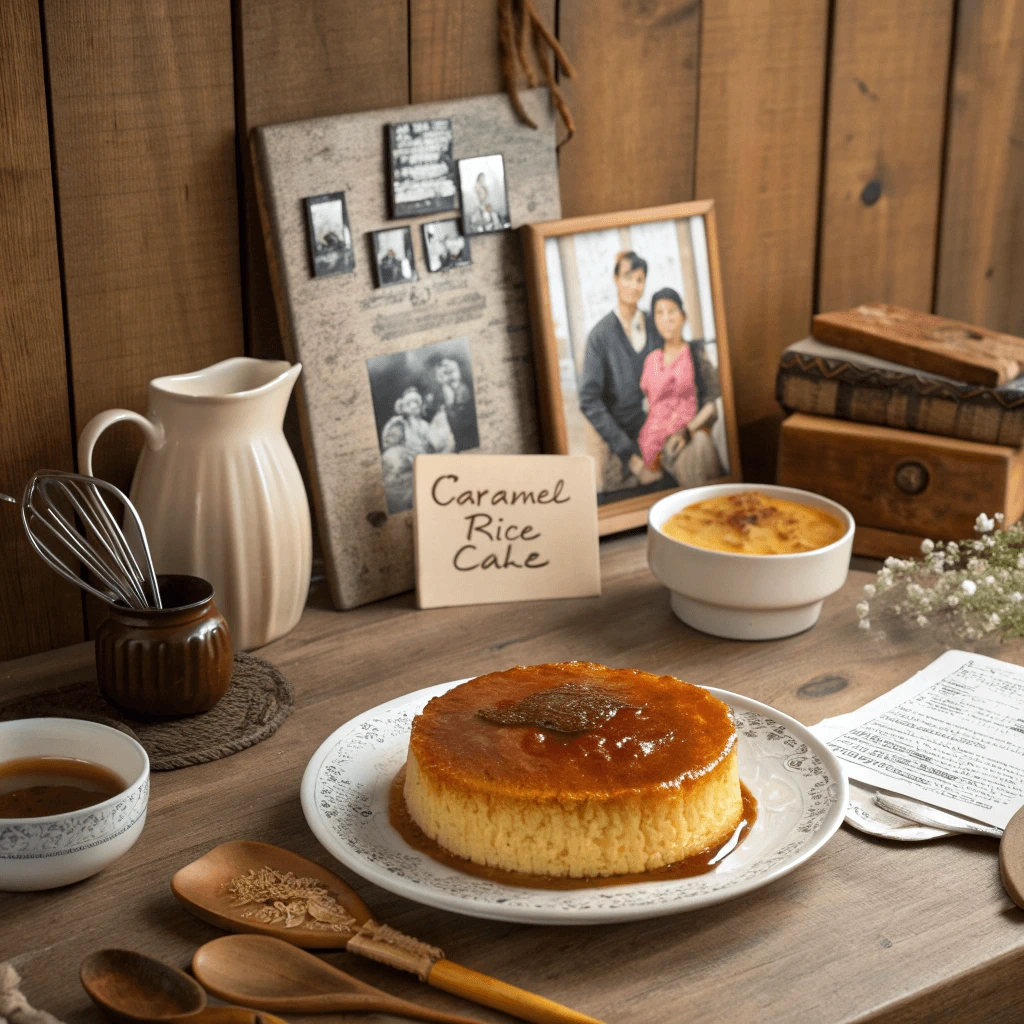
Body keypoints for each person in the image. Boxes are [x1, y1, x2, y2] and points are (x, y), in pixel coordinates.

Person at [578, 251, 664, 492]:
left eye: (639, 280)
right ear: (616, 279)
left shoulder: (655, 324)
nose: (633, 286)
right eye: (627, 277)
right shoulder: (600, 335)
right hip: (617, 426)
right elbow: (588, 400)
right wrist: (631, 458)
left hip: (654, 423)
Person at [639, 287, 724, 487]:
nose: (666, 318)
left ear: (683, 316)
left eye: (672, 311)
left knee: (698, 449)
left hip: (689, 431)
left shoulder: (696, 353)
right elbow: (648, 404)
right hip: (656, 442)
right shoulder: (651, 361)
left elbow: (713, 401)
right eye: (660, 313)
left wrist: (686, 431)